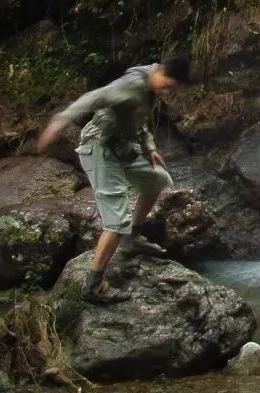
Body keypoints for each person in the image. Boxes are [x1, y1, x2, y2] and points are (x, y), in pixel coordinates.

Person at [37, 57, 190, 302]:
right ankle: (94, 285)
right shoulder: (130, 84)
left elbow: (141, 121)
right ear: (160, 71)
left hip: (124, 147)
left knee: (157, 180)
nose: (167, 91)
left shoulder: (151, 82)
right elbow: (93, 98)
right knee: (117, 220)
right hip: (99, 148)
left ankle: (133, 238)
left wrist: (149, 147)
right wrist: (60, 121)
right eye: (167, 85)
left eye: (171, 88)